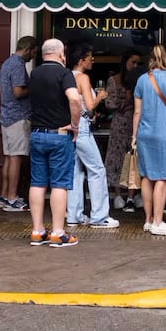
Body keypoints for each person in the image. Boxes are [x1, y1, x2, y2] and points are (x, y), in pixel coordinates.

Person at [26, 37, 84, 248]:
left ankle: (37, 231)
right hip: (59, 134)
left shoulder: (35, 73)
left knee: (38, 182)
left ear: (43, 54)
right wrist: (75, 125)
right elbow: (74, 98)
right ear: (61, 54)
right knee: (59, 183)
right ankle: (58, 233)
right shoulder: (64, 73)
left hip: (36, 134)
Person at [132, 44, 166, 235]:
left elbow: (137, 112)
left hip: (145, 134)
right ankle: (158, 222)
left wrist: (134, 136)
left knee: (147, 176)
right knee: (163, 176)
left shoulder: (142, 80)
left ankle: (147, 220)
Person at [67, 43, 118, 228]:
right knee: (97, 169)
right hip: (82, 128)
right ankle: (99, 216)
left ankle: (74, 215)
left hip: (69, 128)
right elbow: (89, 106)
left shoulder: (66, 76)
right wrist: (100, 97)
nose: (92, 60)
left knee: (75, 172)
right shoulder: (83, 78)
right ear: (81, 61)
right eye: (90, 57)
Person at [0, 36, 38, 212]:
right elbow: (18, 91)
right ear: (28, 49)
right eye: (34, 52)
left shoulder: (6, 63)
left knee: (9, 156)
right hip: (18, 118)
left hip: (6, 116)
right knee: (16, 158)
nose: (33, 57)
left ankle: (4, 196)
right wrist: (34, 87)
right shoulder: (19, 65)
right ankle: (12, 198)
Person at [103, 51, 142, 209]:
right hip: (119, 124)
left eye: (138, 63)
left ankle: (132, 196)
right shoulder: (114, 80)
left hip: (136, 122)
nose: (135, 66)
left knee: (133, 158)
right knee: (117, 158)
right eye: (133, 62)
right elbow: (109, 103)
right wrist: (125, 102)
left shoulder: (141, 80)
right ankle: (118, 194)